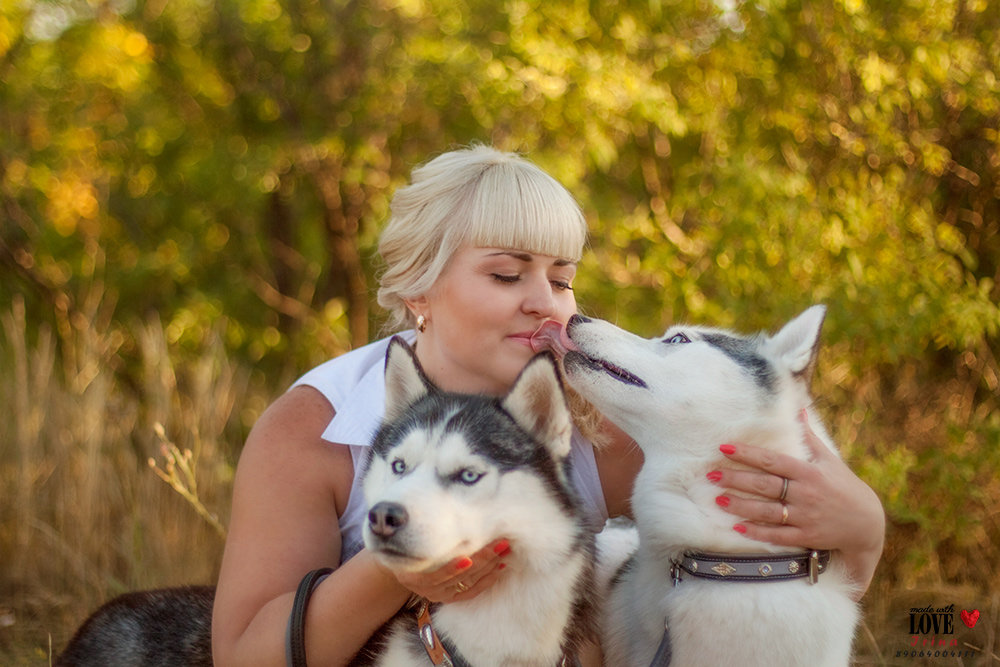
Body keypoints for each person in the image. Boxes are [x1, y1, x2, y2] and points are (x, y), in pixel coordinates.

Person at [211, 145, 885, 666]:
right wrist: (402, 567)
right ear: (418, 288)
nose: (546, 302)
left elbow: (788, 576)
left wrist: (863, 524)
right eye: (508, 273)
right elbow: (241, 655)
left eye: (562, 279)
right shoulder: (318, 428)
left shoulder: (607, 417)